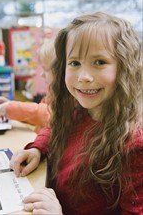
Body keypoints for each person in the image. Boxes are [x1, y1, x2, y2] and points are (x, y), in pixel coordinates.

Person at [10, 11, 143, 215]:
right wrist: (37, 148)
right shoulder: (78, 109)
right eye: (75, 63)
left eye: (99, 62)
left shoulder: (133, 144)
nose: (84, 77)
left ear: (126, 68)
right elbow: (55, 128)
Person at [0, 39, 55, 132]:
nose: (41, 74)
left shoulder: (69, 95)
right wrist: (10, 104)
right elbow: (38, 116)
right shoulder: (54, 91)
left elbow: (47, 115)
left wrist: (12, 107)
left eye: (46, 69)